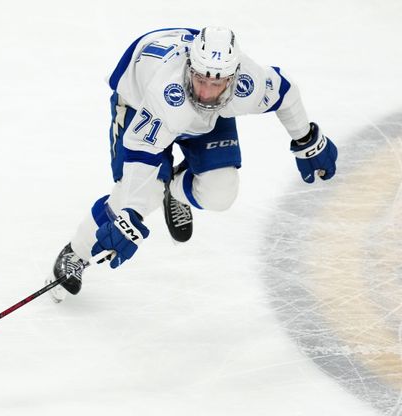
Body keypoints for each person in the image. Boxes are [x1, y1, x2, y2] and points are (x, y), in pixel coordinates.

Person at [48, 26, 338, 301]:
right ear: (190, 67)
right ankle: (76, 253)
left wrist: (307, 140)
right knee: (134, 195)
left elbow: (285, 92)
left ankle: (173, 190)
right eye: (200, 79)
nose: (206, 93)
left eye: (217, 83)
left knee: (220, 193)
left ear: (233, 76)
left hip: (202, 121)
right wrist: (131, 213)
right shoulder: (166, 91)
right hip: (139, 103)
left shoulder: (248, 83)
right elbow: (142, 152)